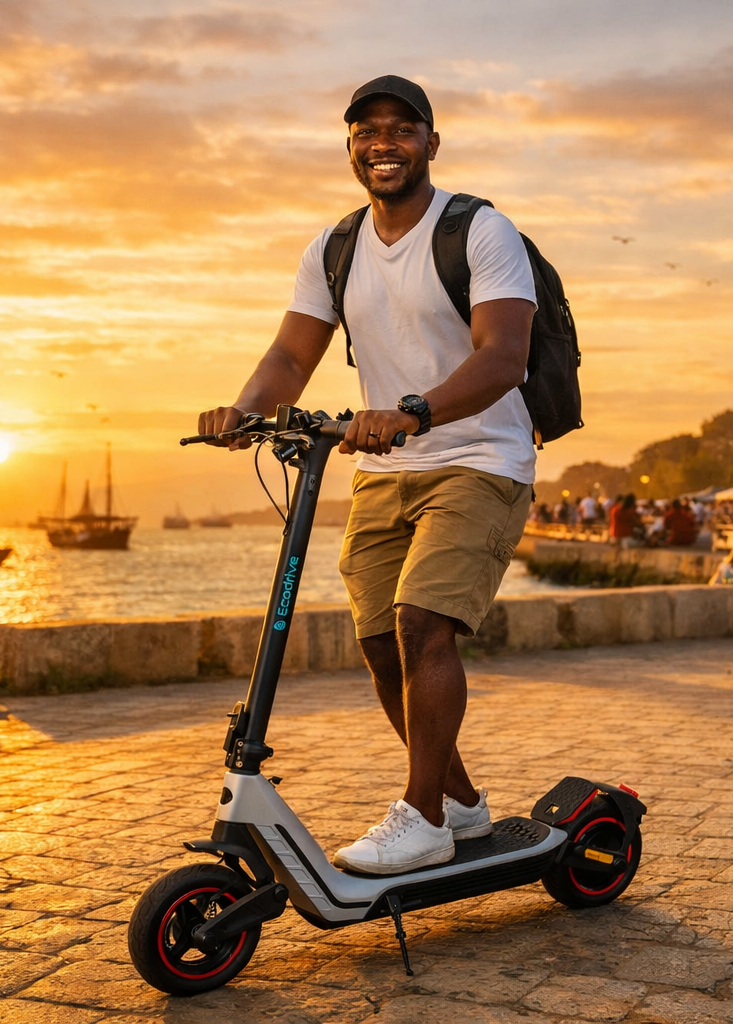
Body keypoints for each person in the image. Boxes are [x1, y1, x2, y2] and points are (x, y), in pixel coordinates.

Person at [197, 75, 538, 875]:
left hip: (478, 458)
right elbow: (290, 356)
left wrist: (412, 411)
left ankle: (420, 819)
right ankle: (459, 804)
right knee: (384, 647)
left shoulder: (481, 231)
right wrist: (242, 412)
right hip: (385, 468)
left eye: (402, 128)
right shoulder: (335, 247)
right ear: (350, 147)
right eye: (367, 131)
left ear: (431, 143)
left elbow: (503, 357)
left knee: (423, 623)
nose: (384, 142)